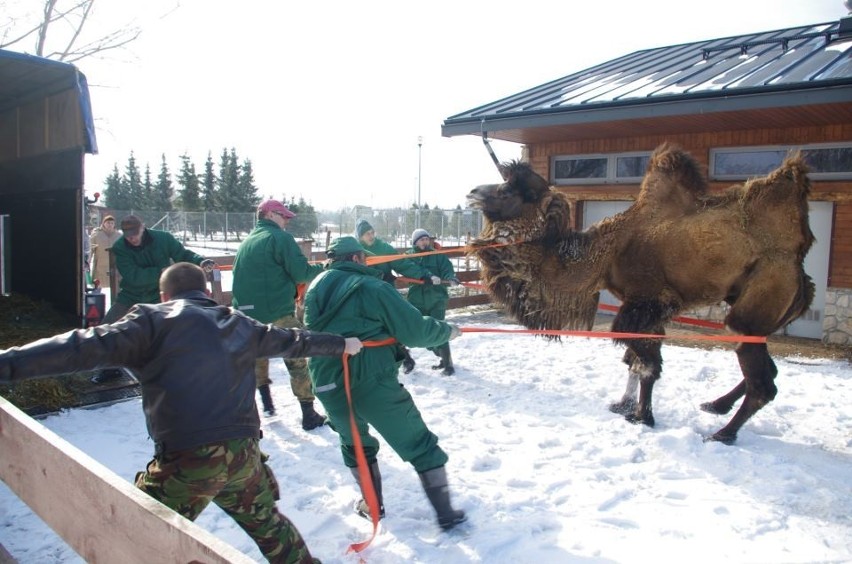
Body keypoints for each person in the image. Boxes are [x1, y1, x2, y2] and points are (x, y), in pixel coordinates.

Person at [0, 262, 364, 563]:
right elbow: (294, 341)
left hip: (190, 459)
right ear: (206, 292)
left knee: (132, 532)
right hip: (244, 457)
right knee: (271, 527)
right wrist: (341, 345)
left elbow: (78, 347)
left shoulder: (150, 322)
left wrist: (8, 364)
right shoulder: (238, 322)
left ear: (164, 296)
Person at [303, 236, 467, 531]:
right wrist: (447, 331)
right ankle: (446, 514)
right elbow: (415, 330)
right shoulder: (373, 287)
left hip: (325, 377)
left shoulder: (315, 286)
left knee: (354, 443)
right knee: (417, 441)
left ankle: (373, 505)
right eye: (363, 257)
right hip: (369, 375)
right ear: (356, 259)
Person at [232, 200, 326, 429]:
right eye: (284, 216)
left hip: (244, 315)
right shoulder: (279, 238)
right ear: (271, 215)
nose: (287, 221)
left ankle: (266, 403)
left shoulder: (246, 242)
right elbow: (301, 272)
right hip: (276, 311)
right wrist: (325, 267)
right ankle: (308, 413)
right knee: (298, 357)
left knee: (257, 354)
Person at [93, 214, 216, 384]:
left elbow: (182, 253)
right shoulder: (120, 247)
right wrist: (161, 271)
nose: (132, 238)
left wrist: (200, 261)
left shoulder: (163, 239)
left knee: (173, 332)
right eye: (128, 235)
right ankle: (109, 369)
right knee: (108, 328)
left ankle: (178, 368)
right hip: (132, 296)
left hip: (160, 296)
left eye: (135, 233)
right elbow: (133, 276)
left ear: (143, 227)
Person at [355, 218, 440, 374]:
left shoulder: (383, 247)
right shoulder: (354, 250)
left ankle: (405, 357)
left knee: (392, 324)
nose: (371, 235)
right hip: (363, 295)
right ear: (359, 236)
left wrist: (422, 275)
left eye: (372, 232)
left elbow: (403, 264)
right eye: (367, 233)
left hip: (385, 292)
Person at [406, 228, 461, 376]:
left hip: (437, 299)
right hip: (417, 300)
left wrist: (451, 278)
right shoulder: (409, 256)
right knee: (422, 331)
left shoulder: (437, 255)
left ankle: (448, 364)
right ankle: (439, 353)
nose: (425, 241)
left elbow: (446, 269)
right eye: (421, 239)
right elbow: (409, 270)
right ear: (415, 242)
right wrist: (428, 276)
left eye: (426, 239)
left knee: (439, 328)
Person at [89, 215, 121, 288]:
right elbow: (91, 249)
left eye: (112, 223)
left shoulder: (119, 236)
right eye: (108, 223)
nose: (110, 225)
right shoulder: (96, 235)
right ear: (103, 223)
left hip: (115, 266)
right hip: (100, 266)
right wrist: (87, 262)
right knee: (98, 287)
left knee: (115, 287)